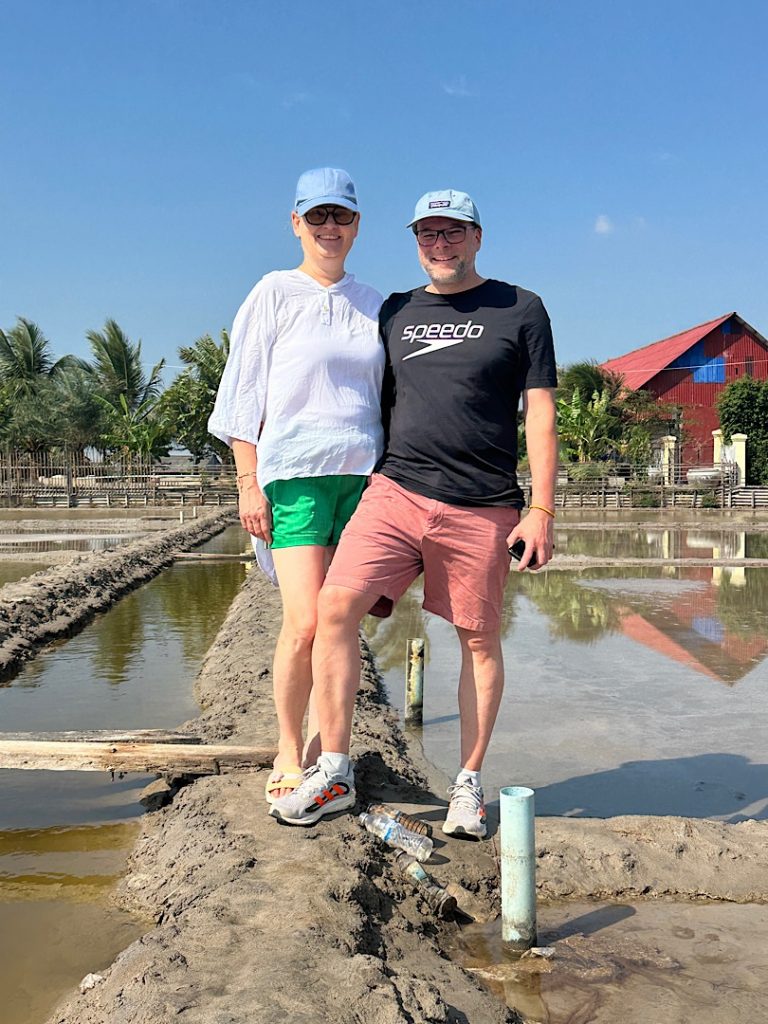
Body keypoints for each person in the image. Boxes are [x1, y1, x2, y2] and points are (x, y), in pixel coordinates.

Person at [271, 189, 558, 836]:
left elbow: (540, 412)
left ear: (477, 237)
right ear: (416, 242)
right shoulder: (396, 310)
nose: (440, 244)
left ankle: (467, 783)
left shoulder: (521, 308)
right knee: (334, 609)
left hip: (482, 502)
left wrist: (541, 507)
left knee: (478, 638)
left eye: (453, 232)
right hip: (396, 490)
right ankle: (334, 770)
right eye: (428, 233)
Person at [208, 168, 384, 806]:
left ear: (357, 225)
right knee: (305, 622)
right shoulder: (273, 293)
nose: (329, 227)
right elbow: (242, 395)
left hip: (362, 480)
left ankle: (329, 749)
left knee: (344, 624)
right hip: (296, 478)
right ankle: (288, 746)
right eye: (317, 216)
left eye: (341, 216)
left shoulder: (376, 304)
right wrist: (247, 482)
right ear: (296, 224)